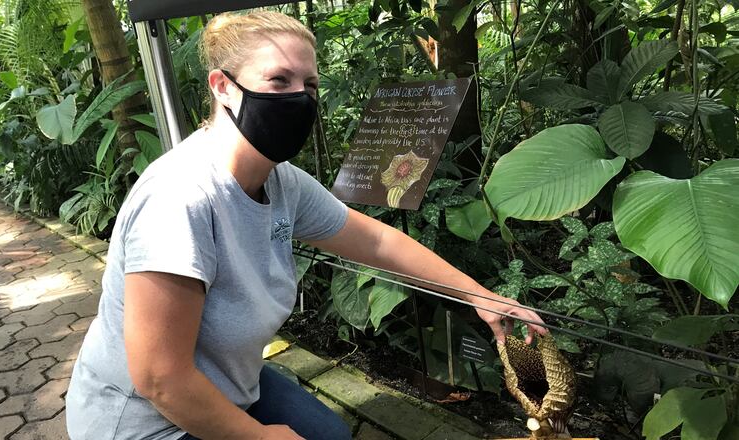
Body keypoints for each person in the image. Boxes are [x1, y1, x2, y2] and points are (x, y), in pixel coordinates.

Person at [65, 10, 547, 440]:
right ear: (223, 85)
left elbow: (377, 239)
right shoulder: (180, 198)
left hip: (229, 382)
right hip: (143, 420)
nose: (299, 98)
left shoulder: (282, 182)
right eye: (279, 81)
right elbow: (159, 377)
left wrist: (479, 295)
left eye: (309, 85)